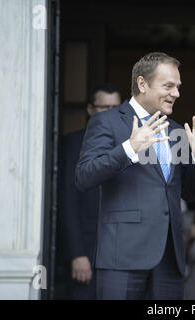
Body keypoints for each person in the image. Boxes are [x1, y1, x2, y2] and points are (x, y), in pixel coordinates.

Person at [75, 52, 195, 300]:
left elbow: (188, 193)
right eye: (168, 86)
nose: (176, 94)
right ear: (142, 84)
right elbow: (84, 176)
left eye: (178, 87)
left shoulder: (177, 130)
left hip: (170, 259)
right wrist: (129, 148)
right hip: (122, 257)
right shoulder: (107, 122)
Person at [56, 83, 121, 299]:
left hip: (123, 257)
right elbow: (67, 201)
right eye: (105, 108)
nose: (112, 114)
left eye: (116, 108)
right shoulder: (73, 144)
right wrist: (77, 254)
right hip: (86, 253)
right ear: (91, 110)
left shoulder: (132, 146)